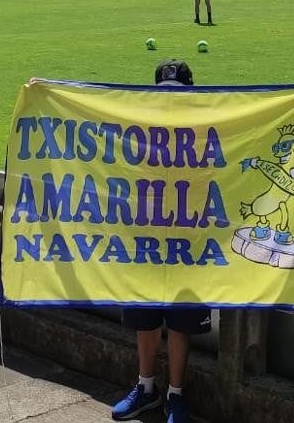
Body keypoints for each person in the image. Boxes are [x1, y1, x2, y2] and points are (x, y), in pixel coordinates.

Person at [111, 57, 207, 423]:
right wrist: (47, 93)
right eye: (164, 93)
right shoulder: (139, 126)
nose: (170, 100)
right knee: (145, 318)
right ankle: (146, 387)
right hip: (146, 237)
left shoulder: (206, 126)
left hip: (189, 239)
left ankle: (176, 395)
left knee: (182, 321)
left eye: (177, 94)